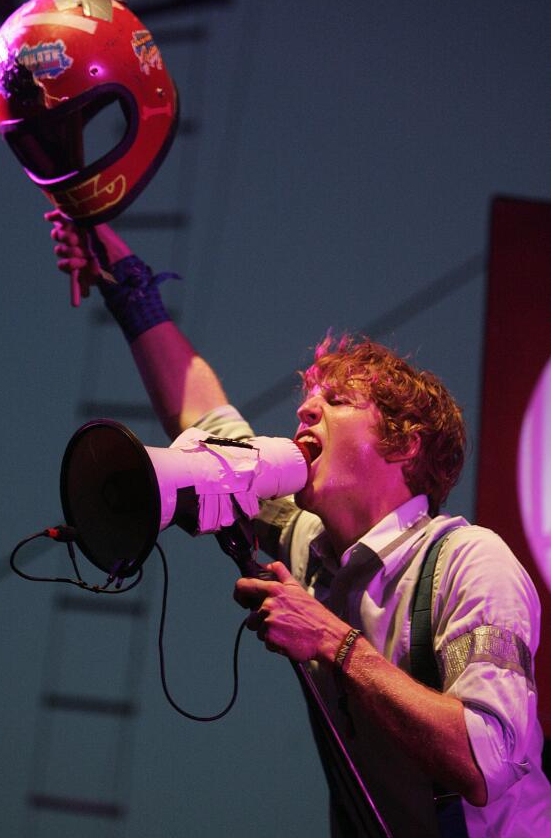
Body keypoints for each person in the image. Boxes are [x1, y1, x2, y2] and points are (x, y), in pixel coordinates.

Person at [47, 210, 550, 837]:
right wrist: (128, 287)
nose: (307, 408)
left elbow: (487, 759)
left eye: (337, 402)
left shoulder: (472, 561)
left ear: (405, 446)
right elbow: (204, 420)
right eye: (311, 398)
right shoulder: (311, 542)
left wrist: (333, 643)